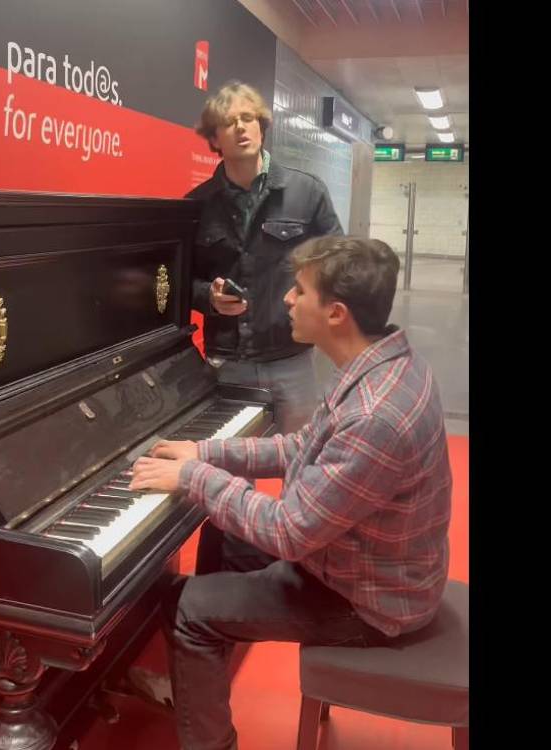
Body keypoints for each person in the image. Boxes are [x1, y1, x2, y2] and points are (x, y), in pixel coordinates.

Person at [129, 236, 453, 750]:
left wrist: (194, 479)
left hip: (370, 601)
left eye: (299, 291)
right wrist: (206, 452)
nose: (286, 299)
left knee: (189, 607)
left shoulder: (375, 416)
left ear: (336, 314)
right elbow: (301, 445)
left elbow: (289, 532)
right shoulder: (381, 365)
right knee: (208, 577)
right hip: (367, 566)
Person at [186, 80, 343, 575]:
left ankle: (305, 567)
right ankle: (238, 574)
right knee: (232, 477)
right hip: (228, 364)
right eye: (229, 123)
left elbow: (339, 264)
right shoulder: (197, 205)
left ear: (262, 126)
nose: (241, 128)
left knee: (305, 468)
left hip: (291, 360)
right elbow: (172, 282)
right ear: (214, 139)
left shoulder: (305, 192)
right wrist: (205, 298)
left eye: (249, 119)